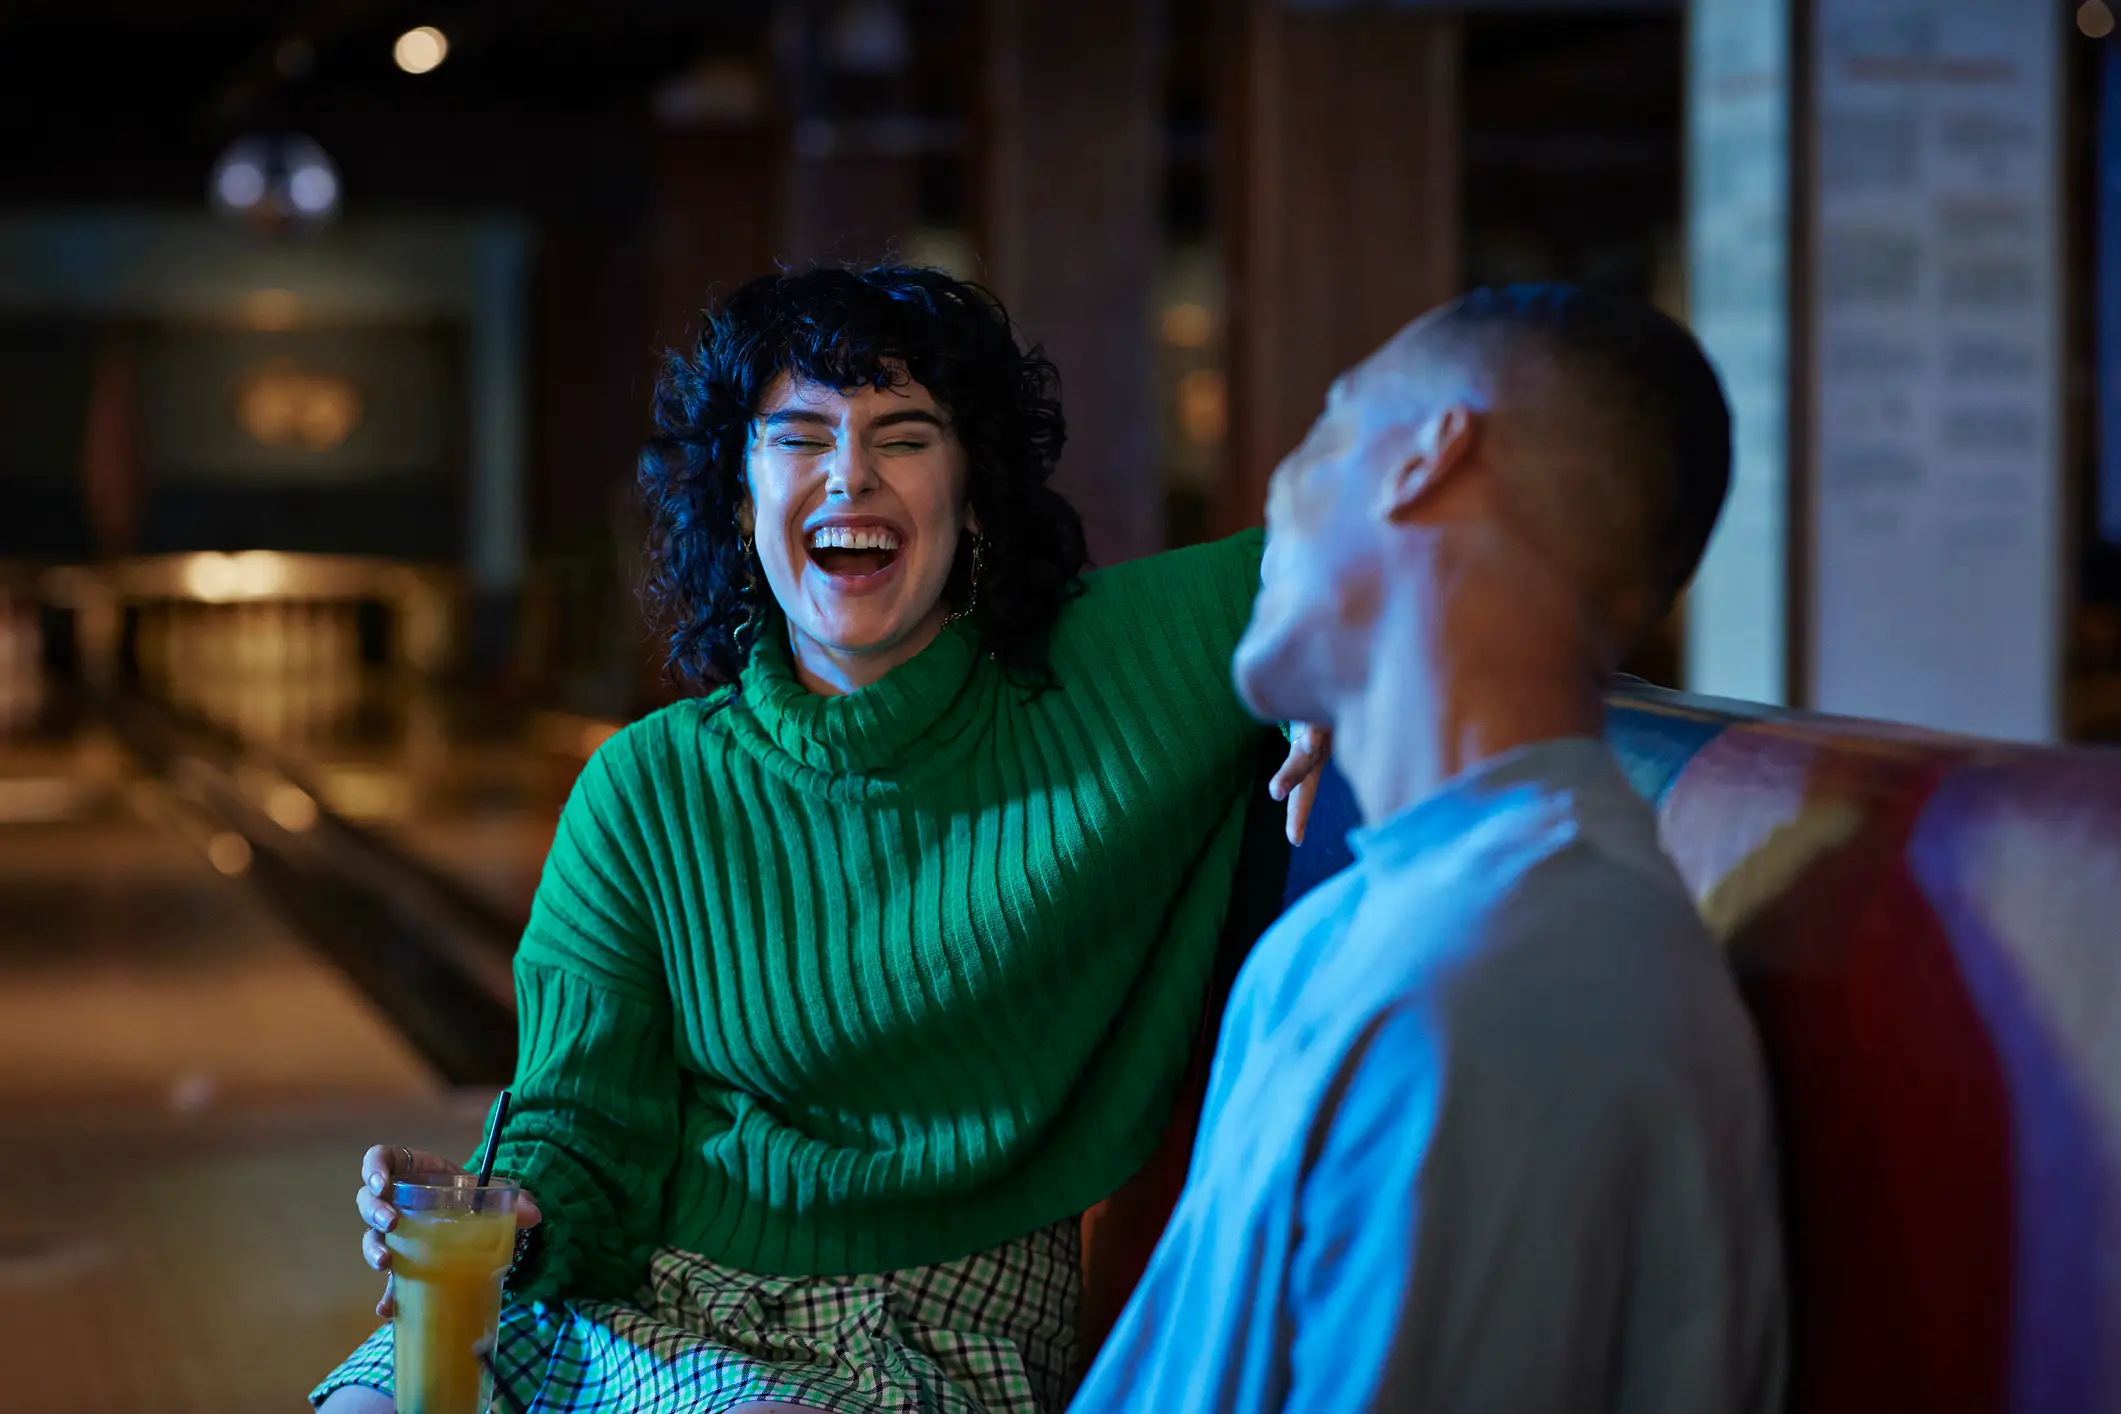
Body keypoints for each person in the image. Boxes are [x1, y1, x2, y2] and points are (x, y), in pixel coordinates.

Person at [313, 266, 1327, 1414]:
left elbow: (1368, 535)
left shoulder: (1107, 673)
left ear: (974, 491)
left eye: (904, 435)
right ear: (741, 500)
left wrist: (1334, 677)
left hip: (931, 1331)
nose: (851, 471)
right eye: (800, 437)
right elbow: (580, 1115)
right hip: (650, 1296)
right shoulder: (646, 789)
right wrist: (518, 1199)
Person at [1071, 285, 1787, 1413]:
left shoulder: (1508, 990)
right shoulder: (1355, 932)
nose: (1274, 498)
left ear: (1427, 458)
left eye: (1324, 434)